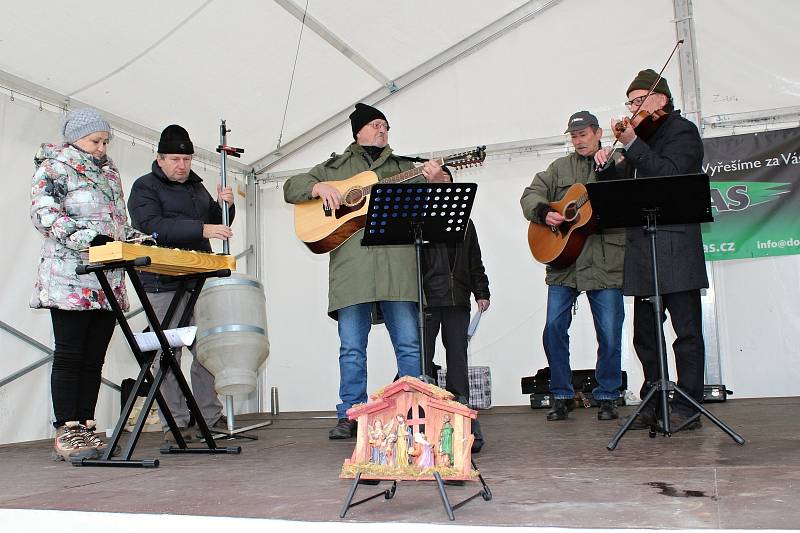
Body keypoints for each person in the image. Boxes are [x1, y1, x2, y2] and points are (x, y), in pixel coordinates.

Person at [283, 103, 448, 439]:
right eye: (375, 125)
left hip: (397, 268)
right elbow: (291, 187)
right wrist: (318, 188)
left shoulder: (406, 168)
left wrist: (439, 179)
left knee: (409, 345)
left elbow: (434, 210)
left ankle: (413, 411)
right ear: (358, 130)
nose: (382, 130)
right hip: (352, 271)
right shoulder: (336, 168)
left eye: (386, 125)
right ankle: (351, 414)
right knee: (352, 347)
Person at [594, 70, 708, 430]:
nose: (633, 108)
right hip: (643, 250)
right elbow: (619, 194)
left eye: (639, 100)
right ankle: (654, 397)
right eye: (630, 102)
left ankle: (688, 404)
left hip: (676, 247)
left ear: (662, 99)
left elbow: (670, 173)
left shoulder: (681, 132)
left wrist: (632, 145)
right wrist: (604, 168)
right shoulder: (636, 141)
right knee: (645, 332)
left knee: (686, 331)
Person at [30, 107, 146, 461]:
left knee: (95, 357)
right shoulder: (53, 167)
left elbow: (116, 223)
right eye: (96, 140)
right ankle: (66, 428)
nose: (102, 147)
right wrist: (87, 240)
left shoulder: (110, 173)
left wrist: (139, 239)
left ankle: (85, 425)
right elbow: (43, 215)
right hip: (70, 278)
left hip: (107, 280)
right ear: (74, 138)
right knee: (70, 353)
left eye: (105, 140)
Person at [128, 124, 234, 444]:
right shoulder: (144, 187)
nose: (181, 165)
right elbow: (151, 226)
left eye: (186, 159)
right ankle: (174, 423)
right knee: (166, 353)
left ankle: (209, 417)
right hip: (161, 283)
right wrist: (203, 229)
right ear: (159, 158)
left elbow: (216, 226)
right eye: (174, 158)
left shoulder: (197, 188)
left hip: (198, 283)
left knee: (207, 351)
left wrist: (223, 207)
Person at [520, 111, 626, 422]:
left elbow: (623, 195)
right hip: (564, 263)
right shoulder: (559, 168)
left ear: (597, 133)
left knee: (609, 332)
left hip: (604, 261)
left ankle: (607, 394)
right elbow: (531, 195)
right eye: (574, 136)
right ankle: (561, 393)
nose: (578, 140)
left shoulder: (617, 159)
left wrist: (610, 171)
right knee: (553, 328)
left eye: (583, 134)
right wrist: (543, 213)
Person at [421, 171, 490, 450]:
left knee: (458, 360)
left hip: (457, 299)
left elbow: (475, 259)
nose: (441, 188)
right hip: (426, 300)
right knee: (422, 360)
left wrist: (481, 292)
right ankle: (424, 416)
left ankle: (461, 416)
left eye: (446, 184)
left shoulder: (466, 223)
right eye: (435, 184)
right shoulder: (419, 222)